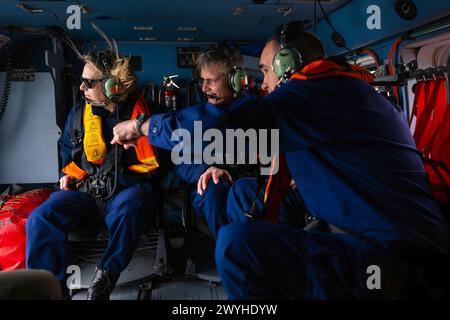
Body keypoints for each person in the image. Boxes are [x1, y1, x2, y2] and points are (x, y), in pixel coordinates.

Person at [113, 21, 450, 299]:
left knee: (237, 245)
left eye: (265, 71)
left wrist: (142, 125)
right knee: (247, 195)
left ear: (286, 65)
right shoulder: (344, 90)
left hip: (396, 260)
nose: (264, 82)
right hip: (386, 237)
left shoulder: (312, 94)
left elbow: (219, 127)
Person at [26, 49, 162, 300]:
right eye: (82, 81)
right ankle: (47, 289)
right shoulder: (78, 115)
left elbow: (166, 162)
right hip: (85, 191)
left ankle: (105, 278)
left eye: (88, 82)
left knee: (130, 207)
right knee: (40, 218)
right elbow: (67, 152)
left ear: (111, 86)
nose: (81, 88)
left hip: (127, 190)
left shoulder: (145, 118)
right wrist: (65, 175)